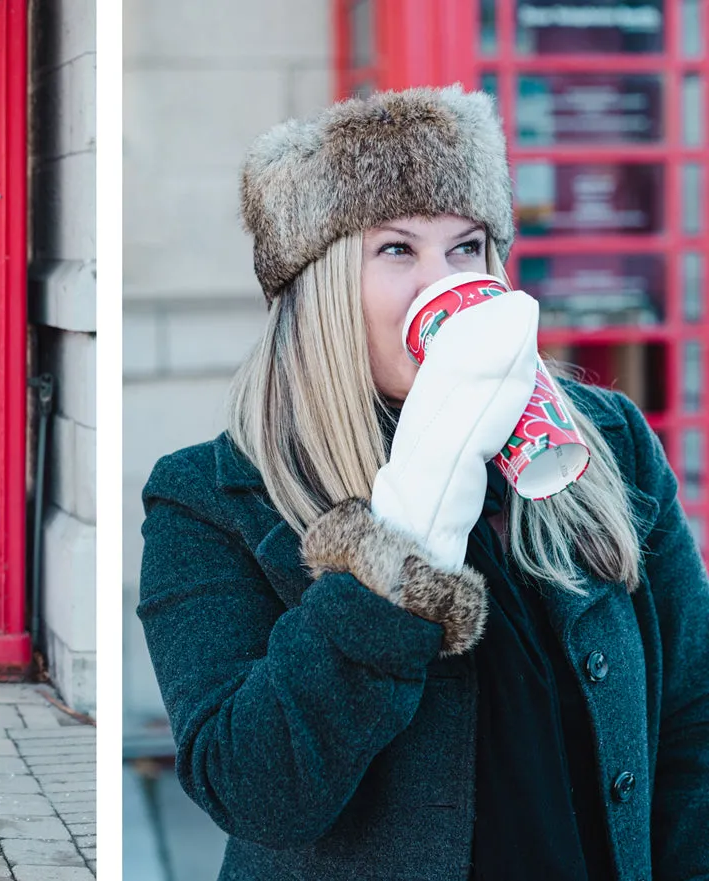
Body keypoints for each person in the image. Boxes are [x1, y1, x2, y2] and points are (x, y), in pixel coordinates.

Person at [136, 86, 709, 880]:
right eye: (397, 250)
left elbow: (691, 722)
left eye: (466, 248)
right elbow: (257, 790)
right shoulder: (213, 498)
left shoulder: (606, 439)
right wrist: (404, 534)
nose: (443, 284)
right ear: (323, 286)